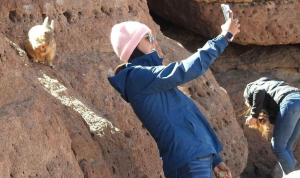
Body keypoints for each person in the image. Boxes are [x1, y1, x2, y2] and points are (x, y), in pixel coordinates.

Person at [107, 11, 240, 178]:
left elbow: (187, 119)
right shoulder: (137, 77)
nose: (154, 43)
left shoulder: (150, 78)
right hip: (188, 161)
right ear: (133, 45)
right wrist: (224, 37)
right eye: (149, 38)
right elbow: (185, 69)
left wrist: (214, 159)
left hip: (195, 158)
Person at [244, 77, 300, 176]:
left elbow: (259, 91)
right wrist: (269, 118)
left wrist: (253, 115)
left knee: (278, 147)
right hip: (296, 100)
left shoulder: (251, 87)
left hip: (290, 103)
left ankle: (291, 176)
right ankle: (291, 175)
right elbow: (284, 118)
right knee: (287, 147)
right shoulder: (272, 85)